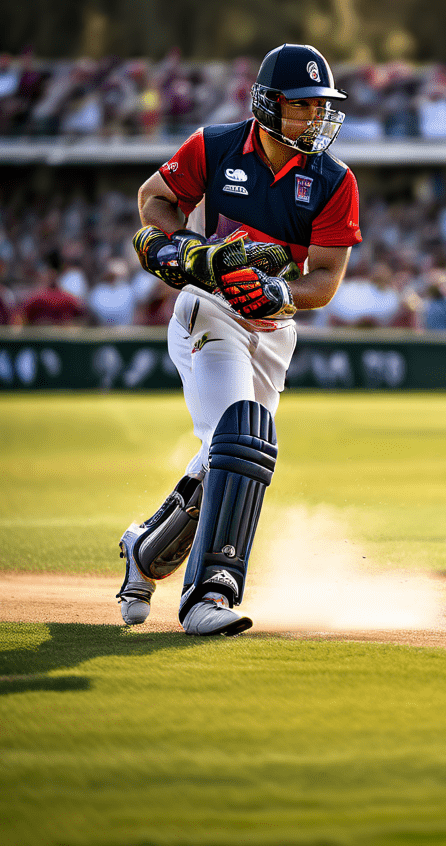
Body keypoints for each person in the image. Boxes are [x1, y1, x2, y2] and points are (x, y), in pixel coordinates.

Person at [116, 43, 361, 636]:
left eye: (321, 106)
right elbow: (154, 198)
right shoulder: (215, 146)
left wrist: (280, 295)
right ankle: (209, 594)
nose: (315, 118)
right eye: (302, 106)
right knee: (240, 437)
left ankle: (145, 549)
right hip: (208, 309)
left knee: (232, 459)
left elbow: (325, 280)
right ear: (268, 103)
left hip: (273, 328)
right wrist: (179, 245)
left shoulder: (333, 180)